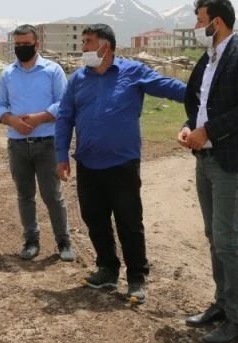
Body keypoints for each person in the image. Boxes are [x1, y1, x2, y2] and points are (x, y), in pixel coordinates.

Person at [55, 24, 186, 304]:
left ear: (105, 46)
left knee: (129, 222)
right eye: (83, 42)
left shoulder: (133, 72)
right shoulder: (78, 79)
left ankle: (137, 277)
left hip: (122, 164)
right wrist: (61, 155)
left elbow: (167, 87)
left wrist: (201, 94)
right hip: (88, 163)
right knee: (95, 219)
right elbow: (65, 117)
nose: (83, 47)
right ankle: (107, 269)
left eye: (88, 42)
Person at [178, 0, 238, 343]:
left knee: (227, 239)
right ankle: (222, 303)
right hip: (205, 159)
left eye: (200, 21)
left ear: (217, 22)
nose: (197, 27)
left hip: (231, 160)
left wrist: (208, 132)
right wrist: (189, 127)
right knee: (214, 237)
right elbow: (198, 104)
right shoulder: (208, 58)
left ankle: (237, 320)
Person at [0, 24, 74, 262]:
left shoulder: (53, 70)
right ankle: (31, 241)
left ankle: (63, 242)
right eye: (17, 44)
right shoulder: (7, 74)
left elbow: (64, 104)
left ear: (37, 44)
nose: (21, 48)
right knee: (24, 195)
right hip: (17, 145)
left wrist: (39, 118)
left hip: (47, 143)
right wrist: (12, 121)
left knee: (52, 195)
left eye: (25, 44)